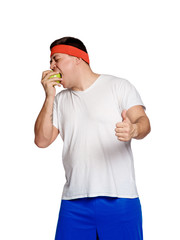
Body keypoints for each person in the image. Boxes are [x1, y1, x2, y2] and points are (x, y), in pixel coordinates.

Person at [34, 36, 151, 240]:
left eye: (56, 59)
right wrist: (49, 96)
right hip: (74, 202)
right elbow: (42, 141)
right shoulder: (60, 100)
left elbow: (143, 121)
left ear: (77, 58)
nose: (51, 67)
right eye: (50, 62)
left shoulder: (118, 86)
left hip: (120, 199)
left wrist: (133, 129)